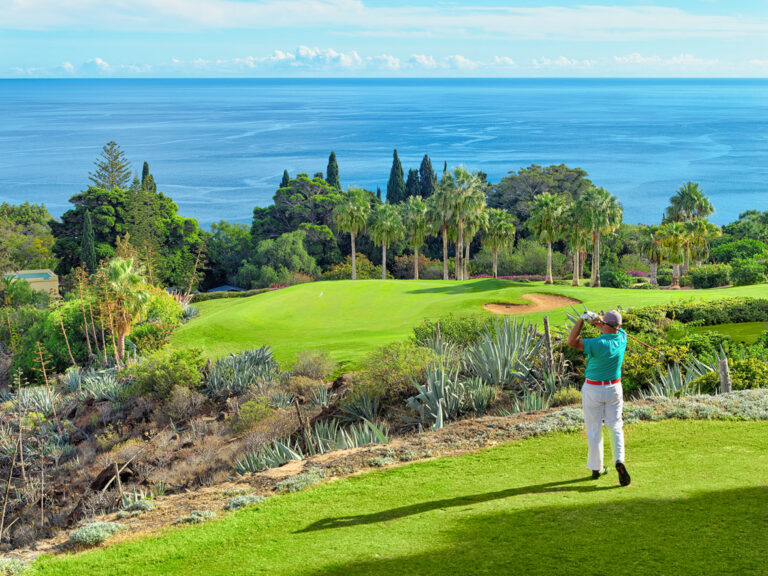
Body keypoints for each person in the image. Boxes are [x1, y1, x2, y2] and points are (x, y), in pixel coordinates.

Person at [567, 309, 631, 487]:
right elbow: (610, 329)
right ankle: (619, 460)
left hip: (593, 389)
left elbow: (571, 341)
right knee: (615, 425)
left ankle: (597, 468)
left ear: (605, 324)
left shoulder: (597, 344)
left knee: (594, 429)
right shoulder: (623, 337)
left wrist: (582, 320)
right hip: (614, 388)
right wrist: (598, 321)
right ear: (619, 326)